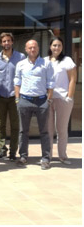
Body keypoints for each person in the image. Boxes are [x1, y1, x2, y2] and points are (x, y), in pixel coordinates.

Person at [14, 39, 55, 170]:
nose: (33, 49)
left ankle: (45, 158)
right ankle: (23, 156)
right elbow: (17, 82)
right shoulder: (20, 64)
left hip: (42, 101)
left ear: (38, 48)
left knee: (44, 131)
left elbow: (50, 83)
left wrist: (48, 100)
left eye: (35, 47)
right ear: (26, 49)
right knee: (23, 131)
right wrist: (17, 99)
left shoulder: (46, 63)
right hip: (24, 100)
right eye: (30, 47)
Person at [0, 32, 25, 161]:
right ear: (1, 43)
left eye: (8, 41)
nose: (6, 43)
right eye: (4, 41)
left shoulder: (21, 57)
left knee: (15, 125)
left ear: (12, 42)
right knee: (0, 124)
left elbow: (24, 75)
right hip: (0, 96)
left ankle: (13, 151)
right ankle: (2, 150)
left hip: (15, 96)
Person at [45, 36, 77, 165]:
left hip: (63, 98)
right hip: (48, 99)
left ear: (62, 47)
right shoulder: (44, 60)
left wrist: (69, 97)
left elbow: (73, 80)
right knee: (48, 129)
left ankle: (62, 156)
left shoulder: (67, 61)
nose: (56, 48)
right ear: (50, 46)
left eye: (59, 45)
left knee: (61, 129)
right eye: (54, 45)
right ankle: (48, 156)